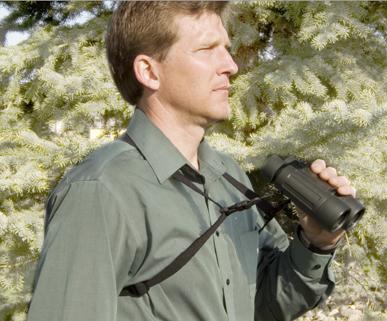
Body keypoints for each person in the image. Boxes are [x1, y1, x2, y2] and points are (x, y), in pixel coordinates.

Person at [27, 2, 356, 321]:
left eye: (226, 48)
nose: (230, 65)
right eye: (207, 49)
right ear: (149, 71)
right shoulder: (102, 191)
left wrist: (317, 242)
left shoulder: (228, 176)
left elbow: (266, 304)